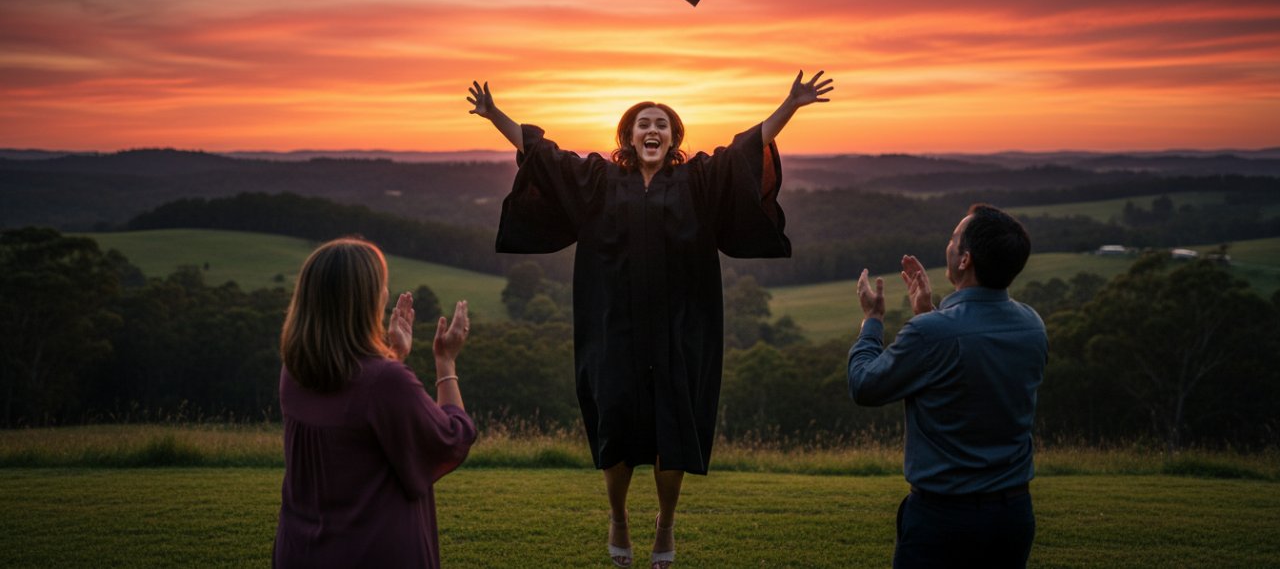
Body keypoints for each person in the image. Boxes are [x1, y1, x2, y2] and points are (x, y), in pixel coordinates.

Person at [468, 71, 833, 568]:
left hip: (680, 330)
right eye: (643, 123)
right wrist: (495, 116)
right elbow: (544, 156)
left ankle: (665, 522)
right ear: (628, 137)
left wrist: (789, 105)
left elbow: (747, 148)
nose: (652, 129)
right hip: (611, 328)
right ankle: (617, 516)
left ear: (674, 138)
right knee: (614, 424)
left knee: (673, 430)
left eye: (661, 123)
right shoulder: (599, 182)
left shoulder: (699, 182)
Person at [847, 204, 1048, 569]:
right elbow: (970, 374)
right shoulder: (1032, 325)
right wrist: (928, 314)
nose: (949, 244)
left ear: (964, 260)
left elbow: (865, 385)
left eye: (954, 238)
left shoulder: (934, 333)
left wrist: (872, 322)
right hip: (1013, 516)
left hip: (943, 520)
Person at [274, 237, 476, 569]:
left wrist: (393, 355)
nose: (385, 294)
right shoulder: (385, 382)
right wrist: (446, 361)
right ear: (363, 300)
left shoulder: (294, 373)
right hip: (372, 551)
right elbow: (450, 439)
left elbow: (352, 413)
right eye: (381, 286)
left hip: (301, 550)